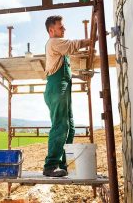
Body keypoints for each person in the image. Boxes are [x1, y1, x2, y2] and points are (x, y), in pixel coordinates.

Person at [43, 15, 92, 177]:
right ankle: (50, 165)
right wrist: (92, 39)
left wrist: (79, 76)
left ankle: (62, 164)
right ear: (51, 30)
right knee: (60, 125)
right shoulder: (54, 42)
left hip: (62, 89)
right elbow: (73, 45)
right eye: (60, 27)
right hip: (57, 89)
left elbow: (65, 71)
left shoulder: (60, 50)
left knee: (70, 127)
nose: (64, 29)